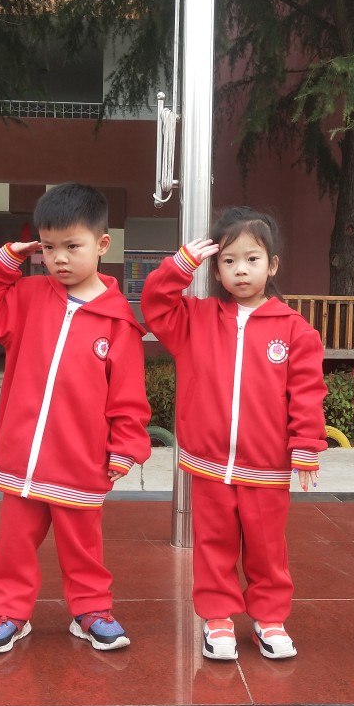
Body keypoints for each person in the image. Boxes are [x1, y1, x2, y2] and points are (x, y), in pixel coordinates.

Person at [0, 182, 151, 654]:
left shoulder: (118, 322)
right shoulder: (29, 296)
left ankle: (91, 611)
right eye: (49, 248)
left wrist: (125, 446)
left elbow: (128, 395)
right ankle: (10, 613)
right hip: (24, 459)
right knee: (14, 546)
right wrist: (5, 259)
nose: (59, 259)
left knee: (83, 547)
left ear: (102, 244)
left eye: (72, 246)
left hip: (80, 462)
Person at [141, 207, 326, 661]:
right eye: (228, 261)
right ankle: (218, 617)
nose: (240, 269)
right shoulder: (195, 319)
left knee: (267, 550)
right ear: (216, 270)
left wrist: (306, 446)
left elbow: (306, 394)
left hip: (266, 467)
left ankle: (269, 618)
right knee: (213, 546)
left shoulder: (295, 330)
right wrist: (180, 264)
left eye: (252, 259)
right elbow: (154, 304)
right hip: (208, 463)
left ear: (272, 265)